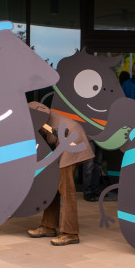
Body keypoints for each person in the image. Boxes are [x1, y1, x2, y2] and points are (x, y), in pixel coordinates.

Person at [27, 102, 94, 246]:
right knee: (52, 184)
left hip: (71, 140)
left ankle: (71, 233)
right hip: (60, 142)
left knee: (66, 187)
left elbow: (43, 111)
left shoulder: (29, 107)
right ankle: (48, 226)